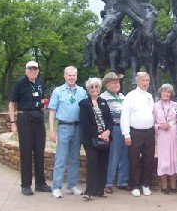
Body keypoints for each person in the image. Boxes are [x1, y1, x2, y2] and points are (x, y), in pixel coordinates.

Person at [8, 61, 51, 196]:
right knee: (26, 152)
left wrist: (44, 102)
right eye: (30, 69)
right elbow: (12, 103)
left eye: (35, 69)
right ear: (26, 70)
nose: (33, 71)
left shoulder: (40, 83)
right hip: (24, 118)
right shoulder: (20, 84)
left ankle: (40, 183)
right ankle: (26, 185)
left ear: (38, 71)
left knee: (39, 151)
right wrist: (13, 122)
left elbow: (42, 99)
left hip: (38, 118)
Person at [48, 66, 87, 198]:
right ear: (64, 76)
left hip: (78, 128)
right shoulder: (58, 91)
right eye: (69, 75)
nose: (71, 77)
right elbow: (52, 111)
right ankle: (56, 187)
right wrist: (52, 130)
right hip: (64, 127)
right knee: (61, 158)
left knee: (74, 159)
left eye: (74, 75)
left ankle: (72, 186)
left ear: (77, 76)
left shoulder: (82, 92)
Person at [120, 72, 155, 197]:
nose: (145, 83)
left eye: (147, 80)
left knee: (148, 159)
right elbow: (125, 116)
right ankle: (134, 185)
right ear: (137, 81)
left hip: (149, 132)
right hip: (135, 132)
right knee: (134, 159)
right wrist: (126, 134)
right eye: (143, 80)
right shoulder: (130, 96)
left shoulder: (150, 96)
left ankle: (146, 184)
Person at [79, 77, 113, 199]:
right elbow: (85, 123)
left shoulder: (103, 102)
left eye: (96, 86)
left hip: (105, 138)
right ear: (88, 89)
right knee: (92, 163)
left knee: (103, 164)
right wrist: (99, 135)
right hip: (91, 139)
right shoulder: (84, 104)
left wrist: (108, 132)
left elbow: (110, 119)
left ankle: (100, 190)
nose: (94, 89)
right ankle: (89, 191)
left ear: (100, 88)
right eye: (92, 87)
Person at [100, 71, 129, 193]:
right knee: (113, 156)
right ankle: (108, 182)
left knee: (125, 155)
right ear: (107, 85)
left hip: (125, 129)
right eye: (113, 82)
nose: (117, 84)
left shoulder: (123, 97)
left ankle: (123, 181)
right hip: (114, 128)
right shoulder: (103, 97)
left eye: (117, 82)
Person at [153, 84, 177, 194]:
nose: (166, 94)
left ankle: (173, 185)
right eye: (164, 92)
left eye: (168, 92)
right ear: (160, 93)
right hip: (162, 134)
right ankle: (164, 186)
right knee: (164, 160)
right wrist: (160, 126)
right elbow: (152, 122)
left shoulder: (176, 105)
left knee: (174, 159)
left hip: (174, 133)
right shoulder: (155, 106)